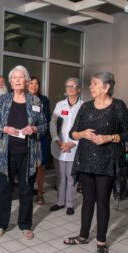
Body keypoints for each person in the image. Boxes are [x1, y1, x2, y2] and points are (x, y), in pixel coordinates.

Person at [64, 72, 128, 253]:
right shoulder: (85, 107)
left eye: (94, 84)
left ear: (107, 86)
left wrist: (108, 137)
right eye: (91, 84)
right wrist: (83, 134)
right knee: (87, 201)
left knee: (102, 202)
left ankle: (101, 242)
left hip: (107, 161)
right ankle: (83, 236)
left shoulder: (118, 106)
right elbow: (72, 133)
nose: (91, 87)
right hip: (86, 160)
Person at [0, 65, 47, 240]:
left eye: (20, 77)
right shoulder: (3, 100)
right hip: (5, 153)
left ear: (27, 81)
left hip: (28, 155)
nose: (17, 80)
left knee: (26, 190)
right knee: (4, 190)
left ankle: (25, 225)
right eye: (14, 77)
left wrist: (34, 128)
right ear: (10, 81)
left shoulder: (36, 102)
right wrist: (5, 128)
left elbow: (44, 127)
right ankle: (1, 224)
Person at [49, 78, 84, 215]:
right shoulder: (60, 105)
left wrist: (73, 142)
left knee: (71, 177)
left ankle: (70, 204)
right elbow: (53, 123)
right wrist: (57, 140)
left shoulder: (83, 106)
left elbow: (85, 128)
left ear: (79, 89)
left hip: (74, 147)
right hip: (59, 146)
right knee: (60, 177)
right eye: (67, 86)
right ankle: (60, 202)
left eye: (72, 86)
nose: (69, 89)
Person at [28, 76, 50, 205]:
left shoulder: (44, 100)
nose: (34, 86)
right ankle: (28, 191)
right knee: (27, 165)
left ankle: (40, 193)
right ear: (27, 85)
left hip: (40, 137)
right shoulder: (22, 98)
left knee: (41, 165)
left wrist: (37, 128)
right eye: (31, 83)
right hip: (26, 137)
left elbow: (46, 120)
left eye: (36, 84)